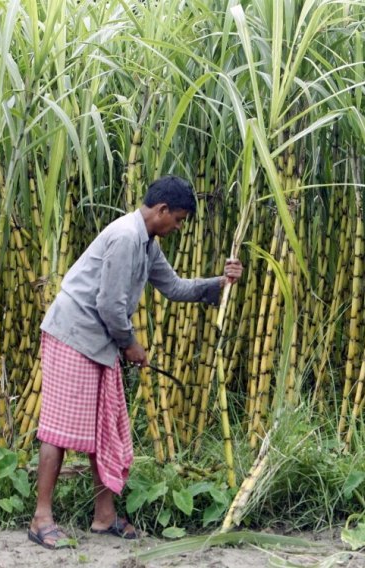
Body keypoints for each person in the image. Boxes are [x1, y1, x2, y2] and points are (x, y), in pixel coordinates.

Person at [27, 175, 243, 550]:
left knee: (102, 426)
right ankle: (41, 518)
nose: (178, 227)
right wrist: (131, 345)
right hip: (72, 335)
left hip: (98, 341)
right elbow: (109, 305)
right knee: (58, 429)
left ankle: (104, 515)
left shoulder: (146, 242)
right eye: (177, 219)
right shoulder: (127, 237)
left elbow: (173, 287)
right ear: (161, 210)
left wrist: (220, 283)